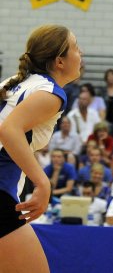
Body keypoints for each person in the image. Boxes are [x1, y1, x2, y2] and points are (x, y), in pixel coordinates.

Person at [0, 24, 81, 273]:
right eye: (76, 48)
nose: (81, 54)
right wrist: (43, 183)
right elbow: (9, 130)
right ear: (59, 61)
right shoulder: (50, 93)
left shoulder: (15, 83)